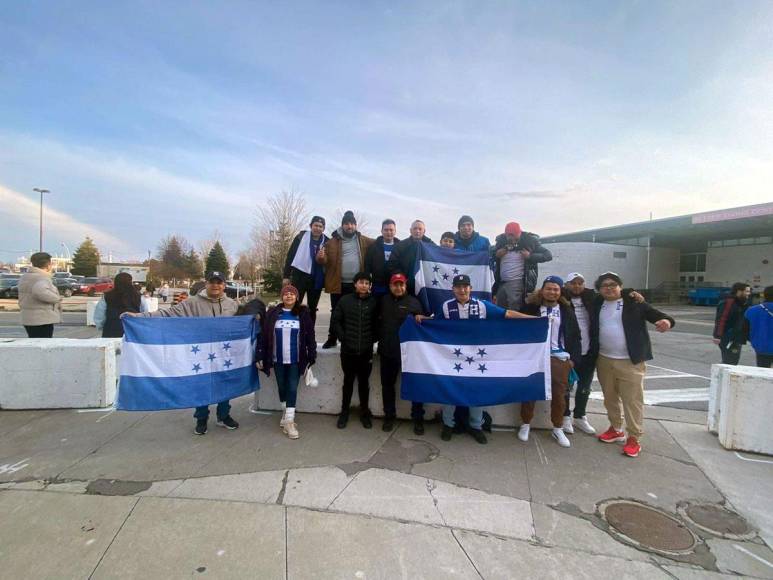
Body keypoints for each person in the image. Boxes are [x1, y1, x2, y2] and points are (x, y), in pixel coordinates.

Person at [124, 271, 240, 435]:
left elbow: (245, 318)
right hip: (201, 353)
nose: (215, 285)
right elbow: (168, 313)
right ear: (206, 284)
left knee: (223, 384)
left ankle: (223, 415)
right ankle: (201, 419)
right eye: (212, 282)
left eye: (219, 282)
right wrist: (140, 316)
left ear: (224, 285)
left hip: (223, 353)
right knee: (202, 386)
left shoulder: (232, 304)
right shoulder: (192, 303)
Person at [428, 274, 534, 444]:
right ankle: (448, 425)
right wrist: (420, 319)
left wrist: (535, 320)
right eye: (458, 286)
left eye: (465, 286)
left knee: (476, 392)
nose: (462, 290)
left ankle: (476, 426)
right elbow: (433, 324)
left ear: (470, 288)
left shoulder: (482, 306)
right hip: (452, 357)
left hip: (477, 358)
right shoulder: (446, 307)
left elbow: (506, 314)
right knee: (448, 390)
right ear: (453, 289)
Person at [591, 272, 675, 458]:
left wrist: (666, 322)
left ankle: (634, 438)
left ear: (620, 286)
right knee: (610, 398)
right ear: (599, 289)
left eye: (613, 284)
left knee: (632, 401)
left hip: (630, 361)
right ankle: (615, 428)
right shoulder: (597, 303)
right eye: (604, 285)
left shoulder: (634, 302)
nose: (609, 287)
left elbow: (658, 315)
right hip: (604, 359)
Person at [560, 273, 644, 435]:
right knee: (565, 387)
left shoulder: (593, 298)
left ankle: (580, 416)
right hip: (568, 352)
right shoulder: (560, 298)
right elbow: (544, 295)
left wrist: (631, 292)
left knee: (584, 387)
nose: (577, 286)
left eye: (580, 283)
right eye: (573, 283)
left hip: (589, 351)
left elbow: (614, 291)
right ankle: (565, 417)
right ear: (566, 285)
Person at [519, 276, 581, 447]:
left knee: (560, 395)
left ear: (560, 292)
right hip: (535, 357)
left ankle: (557, 428)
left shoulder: (567, 310)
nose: (552, 292)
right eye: (549, 288)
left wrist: (573, 360)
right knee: (530, 391)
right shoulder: (530, 308)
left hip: (558, 357)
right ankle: (525, 424)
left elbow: (576, 336)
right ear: (542, 289)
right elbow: (518, 329)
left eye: (556, 289)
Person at [259, 285, 316, 439]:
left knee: (292, 387)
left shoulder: (303, 314)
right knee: (282, 386)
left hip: (296, 360)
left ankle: (290, 421)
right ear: (282, 297)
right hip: (277, 359)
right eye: (286, 294)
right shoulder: (273, 313)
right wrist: (260, 355)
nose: (289, 296)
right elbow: (264, 336)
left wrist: (312, 354)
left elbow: (310, 336)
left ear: (297, 297)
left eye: (292, 294)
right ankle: (285, 415)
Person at [318, 211, 374, 348]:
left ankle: (352, 338)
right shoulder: (331, 242)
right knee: (336, 311)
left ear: (356, 225)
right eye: (347, 224)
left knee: (355, 312)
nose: (350, 226)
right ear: (342, 225)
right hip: (338, 284)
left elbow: (380, 242)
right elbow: (323, 261)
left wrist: (396, 241)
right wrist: (320, 257)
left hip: (357, 285)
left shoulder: (364, 240)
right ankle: (332, 338)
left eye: (352, 224)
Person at [378, 273, 426, 433]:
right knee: (387, 386)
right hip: (387, 351)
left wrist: (421, 317)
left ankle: (418, 418)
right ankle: (389, 416)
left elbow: (423, 325)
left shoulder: (414, 302)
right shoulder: (383, 301)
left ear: (406, 285)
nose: (398, 288)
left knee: (416, 385)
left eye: (401, 284)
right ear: (390, 286)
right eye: (395, 285)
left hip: (410, 354)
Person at [332, 271, 379, 429]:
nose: (364, 285)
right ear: (355, 284)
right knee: (348, 382)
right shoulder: (345, 301)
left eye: (367, 283)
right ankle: (344, 413)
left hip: (366, 351)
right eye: (361, 282)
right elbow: (336, 321)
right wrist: (343, 337)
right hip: (348, 351)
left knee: (364, 383)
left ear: (369, 286)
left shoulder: (374, 302)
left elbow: (378, 323)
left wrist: (372, 339)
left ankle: (364, 413)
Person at [492, 222, 552, 310]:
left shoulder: (530, 240)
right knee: (500, 309)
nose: (512, 240)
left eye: (514, 237)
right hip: (502, 282)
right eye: (509, 236)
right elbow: (490, 255)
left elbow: (548, 255)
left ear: (520, 233)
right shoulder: (500, 241)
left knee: (515, 309)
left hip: (518, 281)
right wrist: (496, 254)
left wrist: (530, 256)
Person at [283, 216, 329, 321]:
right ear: (311, 226)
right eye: (315, 225)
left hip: (316, 279)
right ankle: (295, 332)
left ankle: (309, 335)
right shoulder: (301, 237)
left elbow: (329, 261)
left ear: (323, 228)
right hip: (300, 276)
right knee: (295, 305)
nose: (318, 228)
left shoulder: (327, 241)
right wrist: (286, 275)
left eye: (320, 226)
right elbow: (290, 256)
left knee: (312, 309)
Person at [17, 252, 62, 338]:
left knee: (34, 342)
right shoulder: (42, 277)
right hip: (42, 318)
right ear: (48, 264)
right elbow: (39, 291)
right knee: (43, 345)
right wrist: (57, 298)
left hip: (28, 317)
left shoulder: (25, 277)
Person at [388, 220, 435, 296]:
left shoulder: (430, 246)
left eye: (420, 229)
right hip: (405, 287)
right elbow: (392, 265)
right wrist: (402, 278)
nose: (417, 231)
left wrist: (427, 240)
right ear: (410, 230)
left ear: (424, 231)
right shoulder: (401, 246)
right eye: (415, 228)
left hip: (424, 287)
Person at [94, 272, 146, 338]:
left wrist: (100, 326)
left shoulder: (107, 296)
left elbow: (100, 314)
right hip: (133, 331)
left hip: (111, 330)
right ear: (130, 282)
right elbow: (144, 314)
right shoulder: (139, 296)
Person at [712, 282, 751, 365]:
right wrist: (717, 336)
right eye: (746, 291)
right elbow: (722, 319)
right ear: (739, 291)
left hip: (737, 336)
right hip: (728, 336)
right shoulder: (728, 302)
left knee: (732, 360)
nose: (749, 293)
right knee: (730, 361)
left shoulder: (743, 303)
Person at [365, 219, 399, 297]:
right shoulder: (373, 247)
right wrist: (367, 283)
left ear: (395, 231)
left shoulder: (400, 247)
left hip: (395, 285)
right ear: (381, 231)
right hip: (378, 285)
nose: (389, 232)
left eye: (391, 230)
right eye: (386, 230)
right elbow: (367, 266)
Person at [744, 285, 773, 368]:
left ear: (764, 295)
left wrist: (754, 340)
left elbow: (745, 330)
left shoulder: (751, 310)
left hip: (761, 347)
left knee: (762, 372)